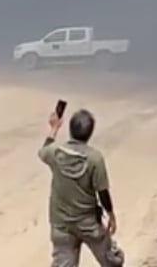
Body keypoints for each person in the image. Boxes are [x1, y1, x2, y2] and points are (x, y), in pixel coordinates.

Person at [42, 108, 125, 267]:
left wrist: (54, 128)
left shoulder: (55, 153)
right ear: (90, 133)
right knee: (112, 260)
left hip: (61, 224)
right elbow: (102, 192)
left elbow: (43, 150)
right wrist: (111, 215)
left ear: (70, 129)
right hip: (88, 223)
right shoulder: (95, 158)